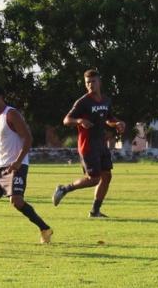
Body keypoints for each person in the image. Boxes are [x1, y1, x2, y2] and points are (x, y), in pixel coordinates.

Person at [0, 84, 53, 243]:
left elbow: (28, 138)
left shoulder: (11, 114)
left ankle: (45, 229)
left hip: (16, 165)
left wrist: (18, 161)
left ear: (1, 98)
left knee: (16, 201)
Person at [52, 69, 125, 217]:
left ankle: (95, 211)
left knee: (107, 176)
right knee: (94, 179)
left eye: (93, 81)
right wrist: (79, 120)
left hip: (101, 144)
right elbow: (66, 120)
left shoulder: (106, 100)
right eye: (87, 83)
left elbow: (108, 118)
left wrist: (117, 123)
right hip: (88, 145)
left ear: (99, 82)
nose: (90, 85)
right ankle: (64, 189)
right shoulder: (83, 102)